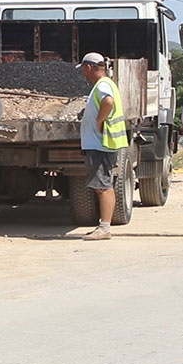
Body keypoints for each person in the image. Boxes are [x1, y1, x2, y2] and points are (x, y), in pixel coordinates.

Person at [78, 52, 128, 241]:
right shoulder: (104, 84)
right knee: (103, 185)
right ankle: (103, 225)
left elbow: (108, 102)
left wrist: (99, 121)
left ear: (89, 67)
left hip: (101, 144)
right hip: (100, 144)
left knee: (103, 186)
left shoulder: (103, 85)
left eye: (84, 68)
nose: (83, 73)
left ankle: (105, 227)